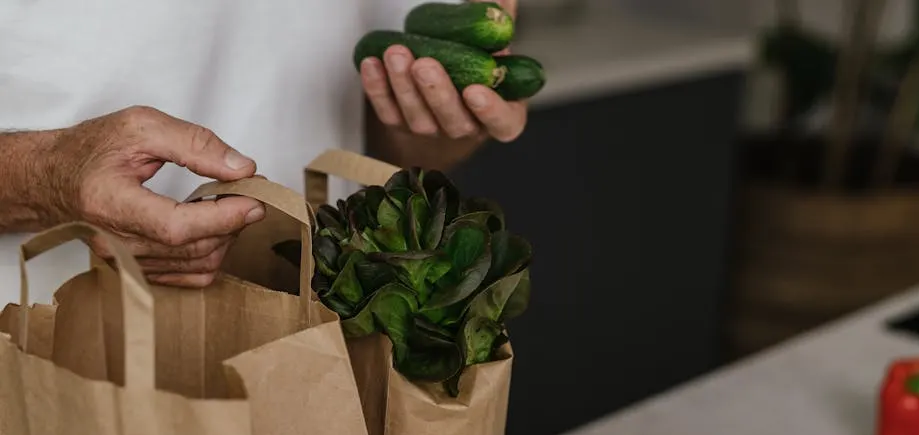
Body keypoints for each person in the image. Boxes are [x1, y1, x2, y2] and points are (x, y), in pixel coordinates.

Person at [0, 0, 525, 301]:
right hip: (46, 355)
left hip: (314, 332)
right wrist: (45, 178)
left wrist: (439, 124)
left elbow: (389, 129)